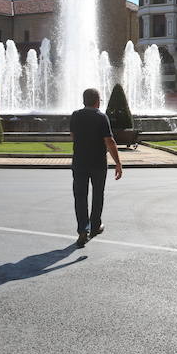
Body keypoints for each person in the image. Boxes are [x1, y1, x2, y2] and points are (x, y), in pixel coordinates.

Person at [69, 88, 123, 248]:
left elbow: (73, 136)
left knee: (80, 196)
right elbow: (109, 141)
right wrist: (118, 163)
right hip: (98, 162)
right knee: (98, 194)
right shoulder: (101, 117)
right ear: (97, 101)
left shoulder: (75, 115)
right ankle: (95, 225)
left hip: (79, 161)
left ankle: (82, 230)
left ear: (83, 100)